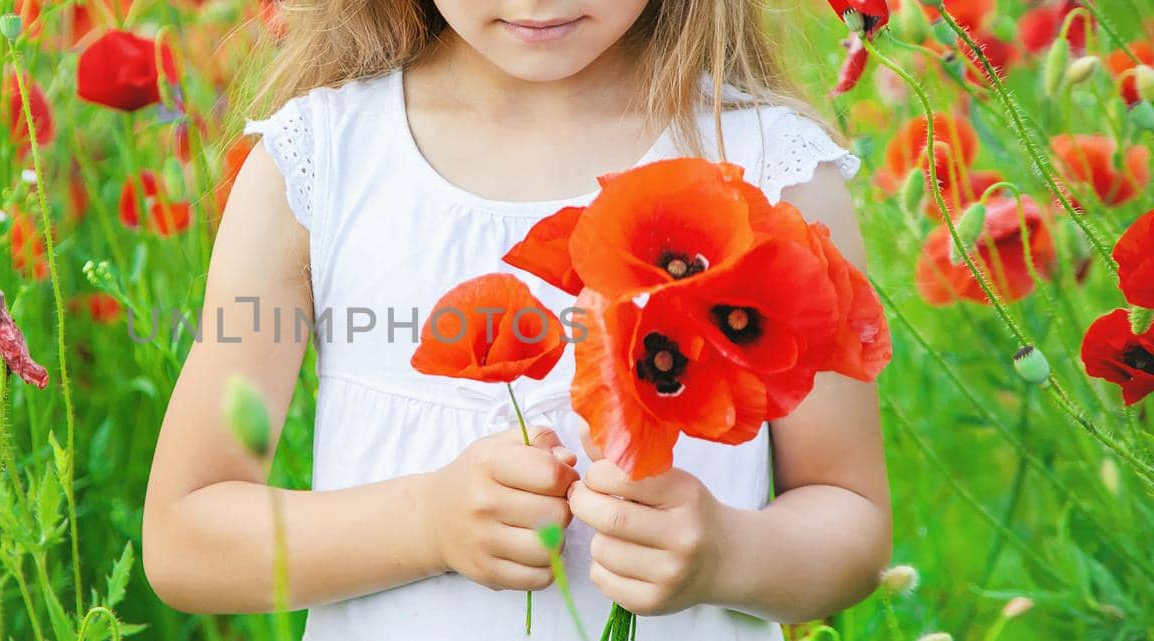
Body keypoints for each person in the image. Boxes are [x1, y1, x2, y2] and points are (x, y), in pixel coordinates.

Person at [143, 1, 891, 638]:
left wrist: (730, 553)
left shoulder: (768, 167)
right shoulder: (319, 163)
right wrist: (423, 522)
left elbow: (850, 523)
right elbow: (184, 539)